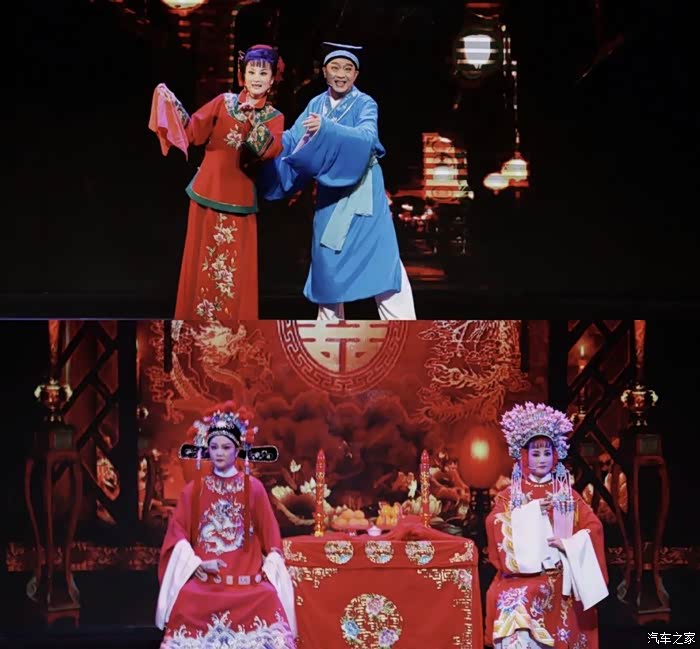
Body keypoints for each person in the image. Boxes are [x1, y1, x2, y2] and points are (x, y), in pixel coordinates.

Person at [259, 42, 416, 320]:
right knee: (327, 260)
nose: (341, 74)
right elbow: (293, 140)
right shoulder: (316, 104)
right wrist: (265, 143)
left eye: (347, 69)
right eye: (335, 67)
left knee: (380, 255)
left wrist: (327, 129)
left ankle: (403, 325)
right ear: (324, 72)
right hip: (330, 192)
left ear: (356, 74)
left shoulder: (365, 103)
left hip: (362, 189)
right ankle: (328, 329)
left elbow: (367, 137)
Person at [149, 45, 285, 320]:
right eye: (252, 71)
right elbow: (193, 132)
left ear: (272, 79)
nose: (257, 78)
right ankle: (195, 324)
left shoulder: (274, 117)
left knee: (234, 270)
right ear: (242, 76)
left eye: (263, 73)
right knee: (200, 262)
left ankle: (230, 330)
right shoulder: (224, 102)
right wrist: (172, 105)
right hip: (207, 193)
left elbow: (269, 152)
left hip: (240, 200)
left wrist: (252, 122)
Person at [155, 404, 297, 648]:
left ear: (237, 449)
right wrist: (197, 564)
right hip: (206, 583)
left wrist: (269, 566)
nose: (219, 453)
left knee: (268, 597)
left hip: (247, 585)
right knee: (187, 598)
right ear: (206, 450)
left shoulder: (254, 489)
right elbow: (177, 536)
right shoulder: (193, 491)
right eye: (213, 447)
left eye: (226, 447)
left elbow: (271, 538)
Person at [485, 402, 609, 649]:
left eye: (546, 453)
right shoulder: (511, 495)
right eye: (535, 454)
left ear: (555, 455)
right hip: (519, 577)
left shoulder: (566, 493)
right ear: (524, 457)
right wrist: (528, 514)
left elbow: (593, 526)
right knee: (513, 603)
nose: (542, 459)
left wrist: (569, 544)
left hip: (560, 574)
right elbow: (493, 522)